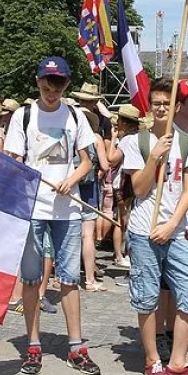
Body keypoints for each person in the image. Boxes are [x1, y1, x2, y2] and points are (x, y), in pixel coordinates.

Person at [3, 56, 100, 375]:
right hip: (32, 208)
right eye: (46, 84)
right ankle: (33, 345)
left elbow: (87, 161)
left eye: (58, 85)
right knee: (31, 279)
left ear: (67, 85)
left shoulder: (74, 115)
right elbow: (14, 159)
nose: (51, 91)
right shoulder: (23, 115)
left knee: (69, 279)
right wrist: (17, 169)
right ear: (37, 81)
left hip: (68, 209)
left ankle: (76, 347)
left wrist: (71, 180)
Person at [119, 78, 188, 375]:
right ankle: (152, 360)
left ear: (176, 107)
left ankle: (178, 362)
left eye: (166, 104)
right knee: (146, 297)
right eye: (156, 103)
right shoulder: (136, 142)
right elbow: (139, 188)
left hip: (173, 232)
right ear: (149, 106)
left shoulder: (187, 142)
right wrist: (155, 156)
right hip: (144, 231)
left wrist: (172, 225)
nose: (160, 108)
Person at [105, 104, 144, 269]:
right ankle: (122, 253)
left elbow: (111, 158)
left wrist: (113, 139)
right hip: (131, 181)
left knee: (122, 220)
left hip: (123, 181)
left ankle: (120, 254)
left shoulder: (128, 139)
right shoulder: (139, 137)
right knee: (124, 218)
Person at [78, 107, 109, 292]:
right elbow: (105, 165)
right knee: (87, 235)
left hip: (69, 187)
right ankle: (90, 279)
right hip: (89, 188)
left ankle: (61, 277)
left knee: (68, 235)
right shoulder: (95, 138)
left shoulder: (70, 134)